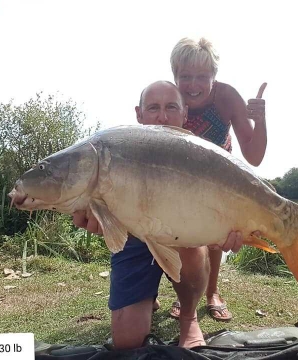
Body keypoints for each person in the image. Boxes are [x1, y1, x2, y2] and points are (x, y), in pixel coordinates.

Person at [73, 81, 246, 350]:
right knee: (127, 341)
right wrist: (103, 221)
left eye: (171, 108)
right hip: (135, 236)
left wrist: (220, 233)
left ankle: (188, 317)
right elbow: (106, 217)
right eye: (153, 108)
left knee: (189, 247)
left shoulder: (200, 154)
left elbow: (215, 218)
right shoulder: (116, 150)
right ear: (138, 114)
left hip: (181, 239)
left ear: (185, 113)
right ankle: (147, 295)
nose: (162, 116)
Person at [167, 37, 267, 322]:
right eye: (185, 76)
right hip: (180, 177)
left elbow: (255, 156)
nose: (193, 85)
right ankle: (183, 294)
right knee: (181, 235)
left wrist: (260, 120)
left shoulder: (227, 97)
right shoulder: (169, 98)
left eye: (202, 76)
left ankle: (212, 292)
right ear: (175, 75)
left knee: (216, 238)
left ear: (214, 76)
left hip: (220, 177)